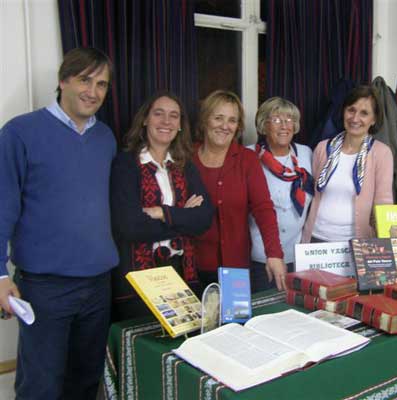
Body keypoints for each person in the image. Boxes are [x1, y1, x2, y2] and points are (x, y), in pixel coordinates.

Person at [0, 47, 118, 399]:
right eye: (84, 80)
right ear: (63, 80)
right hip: (45, 288)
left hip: (98, 285)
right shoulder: (20, 133)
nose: (93, 92)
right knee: (41, 386)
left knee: (85, 381)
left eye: (101, 84)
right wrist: (0, 276)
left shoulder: (105, 138)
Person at [110, 91, 213, 320]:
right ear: (145, 119)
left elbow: (204, 218)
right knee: (146, 348)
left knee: (183, 346)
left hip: (182, 273)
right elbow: (129, 227)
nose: (166, 121)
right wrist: (182, 216)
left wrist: (161, 213)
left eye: (173, 116)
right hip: (138, 281)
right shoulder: (126, 164)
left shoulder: (185, 166)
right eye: (159, 114)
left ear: (179, 125)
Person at [192, 90, 287, 292]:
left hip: (236, 268)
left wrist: (274, 254)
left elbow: (263, 209)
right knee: (195, 324)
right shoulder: (186, 159)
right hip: (191, 268)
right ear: (205, 120)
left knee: (236, 322)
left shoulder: (247, 160)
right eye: (218, 118)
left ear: (238, 127)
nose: (225, 126)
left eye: (232, 120)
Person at [302, 85, 393, 243]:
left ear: (374, 120)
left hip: (357, 243)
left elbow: (383, 202)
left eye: (364, 113)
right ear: (343, 112)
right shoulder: (322, 148)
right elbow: (311, 193)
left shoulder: (382, 153)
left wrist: (387, 246)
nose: (355, 118)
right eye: (351, 110)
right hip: (316, 238)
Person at [248, 97, 313, 290]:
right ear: (263, 125)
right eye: (276, 120)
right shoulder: (248, 156)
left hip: (298, 255)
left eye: (289, 120)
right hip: (261, 257)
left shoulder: (306, 154)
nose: (284, 125)